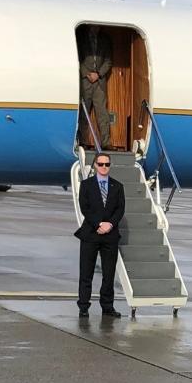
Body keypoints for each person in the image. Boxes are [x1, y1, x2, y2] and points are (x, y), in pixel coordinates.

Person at [74, 152, 124, 318]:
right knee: (86, 273)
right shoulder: (86, 185)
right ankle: (83, 306)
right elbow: (85, 207)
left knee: (108, 274)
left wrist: (109, 224)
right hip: (91, 234)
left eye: (107, 164)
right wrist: (98, 224)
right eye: (101, 164)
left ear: (110, 166)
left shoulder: (118, 186)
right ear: (95, 165)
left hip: (110, 235)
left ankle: (107, 306)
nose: (104, 167)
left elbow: (120, 209)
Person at [80, 25, 113, 147]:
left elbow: (108, 61)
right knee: (84, 113)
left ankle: (106, 143)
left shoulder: (105, 39)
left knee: (102, 113)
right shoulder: (81, 39)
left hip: (99, 82)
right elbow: (78, 59)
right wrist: (87, 74)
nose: (96, 28)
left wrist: (98, 74)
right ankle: (83, 142)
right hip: (85, 81)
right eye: (94, 26)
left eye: (98, 26)